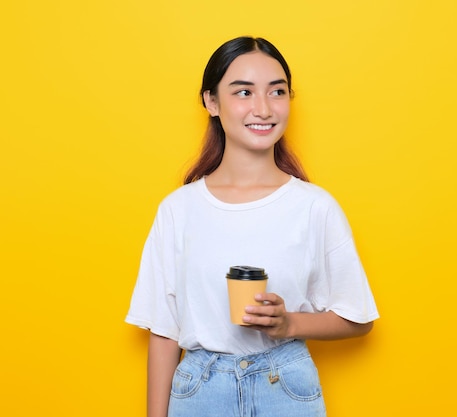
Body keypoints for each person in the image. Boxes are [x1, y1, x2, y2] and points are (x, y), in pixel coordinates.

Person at [125, 36, 379, 417]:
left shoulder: (314, 207)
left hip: (286, 386)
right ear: (212, 102)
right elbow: (164, 331)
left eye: (277, 92)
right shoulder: (179, 209)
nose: (263, 108)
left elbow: (357, 319)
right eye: (243, 92)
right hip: (200, 391)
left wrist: (288, 323)